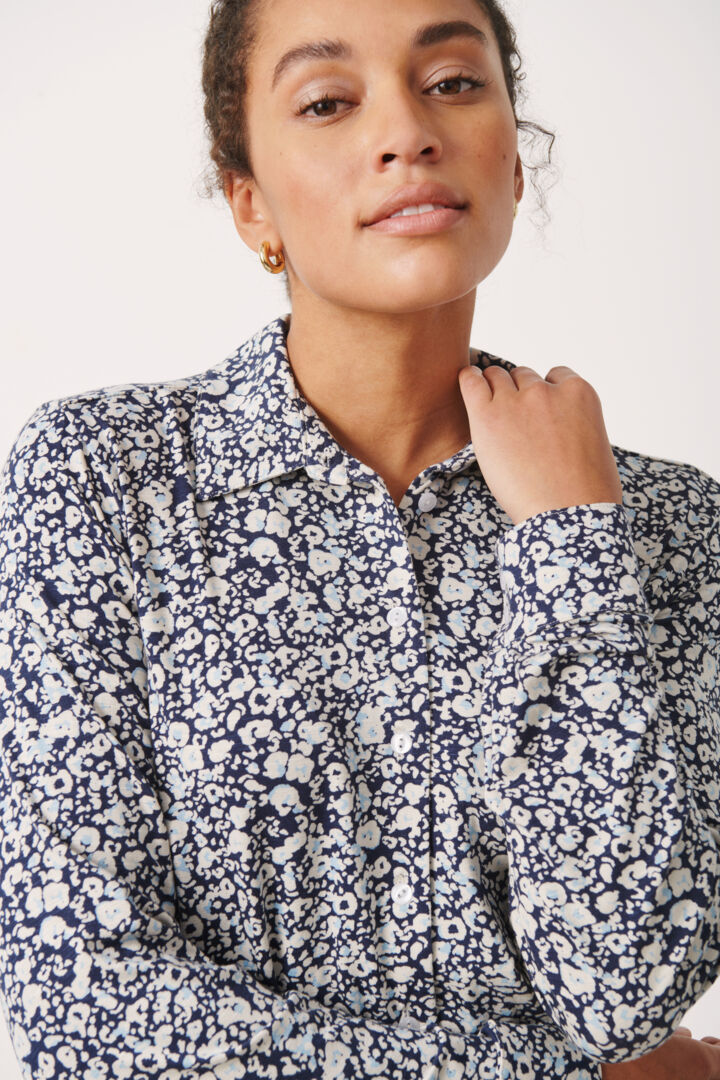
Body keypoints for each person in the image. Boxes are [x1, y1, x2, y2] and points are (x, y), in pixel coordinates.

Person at [0, 1, 718, 1078]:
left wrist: (572, 545)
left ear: (514, 159)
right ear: (249, 201)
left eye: (454, 84)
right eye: (330, 102)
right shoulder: (104, 479)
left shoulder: (665, 525)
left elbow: (627, 994)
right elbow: (84, 1012)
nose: (407, 134)